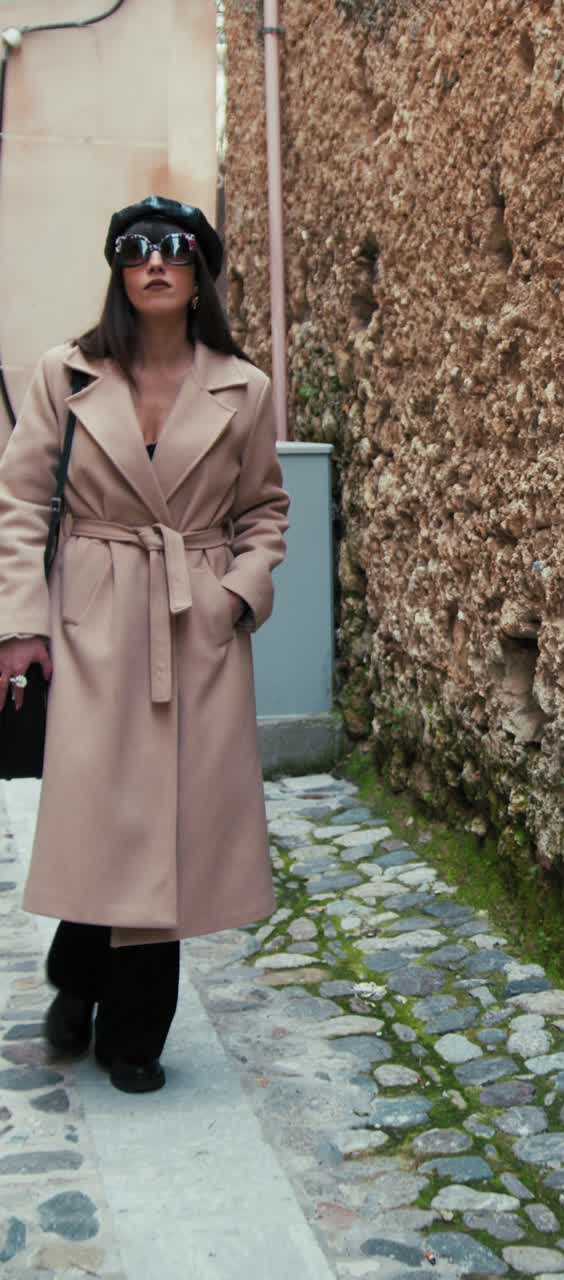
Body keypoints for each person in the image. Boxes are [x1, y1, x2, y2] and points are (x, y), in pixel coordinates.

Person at [0, 195, 289, 1093]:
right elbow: (20, 503)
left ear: (199, 271)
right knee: (104, 809)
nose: (154, 261)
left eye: (173, 247)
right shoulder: (66, 374)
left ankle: (132, 1032)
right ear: (119, 271)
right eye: (134, 248)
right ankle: (77, 974)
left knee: (168, 820)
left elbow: (264, 511)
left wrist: (238, 595)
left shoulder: (244, 387)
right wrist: (20, 626)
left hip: (194, 618)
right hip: (91, 610)